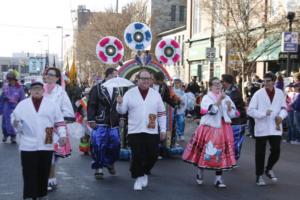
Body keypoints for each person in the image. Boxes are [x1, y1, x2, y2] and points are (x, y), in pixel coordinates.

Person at [11, 81, 67, 200]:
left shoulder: (51, 105)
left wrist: (62, 135)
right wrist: (15, 123)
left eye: (39, 89)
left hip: (46, 142)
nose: (37, 90)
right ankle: (30, 195)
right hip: (27, 143)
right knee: (28, 171)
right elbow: (14, 118)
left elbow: (59, 121)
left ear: (43, 91)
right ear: (30, 91)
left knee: (43, 170)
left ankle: (42, 194)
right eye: (34, 88)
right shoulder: (22, 105)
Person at [182, 77, 237, 188]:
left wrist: (230, 109)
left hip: (224, 128)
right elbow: (211, 111)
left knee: (221, 153)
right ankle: (200, 172)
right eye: (215, 84)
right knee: (205, 151)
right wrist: (218, 101)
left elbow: (234, 114)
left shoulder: (227, 97)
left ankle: (218, 179)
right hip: (209, 128)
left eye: (219, 84)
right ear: (210, 86)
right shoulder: (206, 98)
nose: (218, 86)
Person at [116, 69, 166, 191]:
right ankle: (139, 178)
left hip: (152, 130)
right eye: (143, 79)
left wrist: (163, 129)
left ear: (151, 80)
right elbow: (122, 111)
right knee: (138, 155)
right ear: (137, 79)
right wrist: (119, 103)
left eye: (148, 79)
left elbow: (162, 113)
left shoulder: (155, 94)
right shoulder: (130, 93)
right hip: (135, 130)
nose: (145, 81)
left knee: (153, 155)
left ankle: (143, 171)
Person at [247, 72, 287, 186]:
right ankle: (259, 175)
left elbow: (284, 108)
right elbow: (250, 110)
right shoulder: (258, 94)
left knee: (276, 150)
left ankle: (269, 168)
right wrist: (263, 113)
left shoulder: (280, 93)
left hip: (275, 126)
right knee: (260, 153)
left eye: (268, 81)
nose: (265, 83)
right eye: (264, 81)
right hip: (262, 127)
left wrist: (281, 116)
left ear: (273, 81)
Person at [43, 67, 75, 191]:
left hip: (52, 130)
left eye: (52, 75)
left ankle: (50, 178)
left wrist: (60, 123)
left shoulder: (61, 92)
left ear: (57, 78)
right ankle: (51, 178)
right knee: (45, 153)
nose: (49, 76)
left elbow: (68, 111)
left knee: (50, 153)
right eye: (47, 74)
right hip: (40, 127)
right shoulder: (40, 89)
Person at [87, 67, 121, 180]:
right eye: (115, 75)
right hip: (100, 122)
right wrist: (91, 120)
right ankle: (99, 167)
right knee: (99, 145)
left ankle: (110, 163)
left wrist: (122, 118)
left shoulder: (118, 90)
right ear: (108, 75)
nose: (116, 78)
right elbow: (91, 105)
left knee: (115, 144)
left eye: (117, 76)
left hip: (113, 122)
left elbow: (121, 107)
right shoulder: (97, 88)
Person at [221, 74, 247, 160]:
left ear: (226, 82)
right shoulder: (226, 90)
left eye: (223, 81)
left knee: (236, 142)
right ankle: (230, 159)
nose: (222, 83)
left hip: (238, 121)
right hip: (231, 121)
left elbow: (231, 106)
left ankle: (234, 160)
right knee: (228, 141)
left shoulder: (235, 91)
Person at [0, 71, 25, 143]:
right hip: (6, 107)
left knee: (13, 122)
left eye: (11, 79)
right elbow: (2, 97)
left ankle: (13, 136)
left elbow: (22, 99)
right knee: (4, 123)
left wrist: (21, 108)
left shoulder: (19, 87)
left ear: (14, 79)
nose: (9, 81)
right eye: (8, 79)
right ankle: (5, 135)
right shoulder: (5, 86)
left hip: (15, 107)